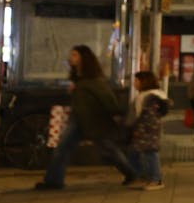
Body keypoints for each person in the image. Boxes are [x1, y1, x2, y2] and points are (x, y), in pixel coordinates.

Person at [36, 45, 134, 190]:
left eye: (75, 55)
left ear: (84, 58)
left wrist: (116, 113)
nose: (71, 58)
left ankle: (130, 172)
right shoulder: (78, 80)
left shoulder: (94, 80)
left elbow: (108, 100)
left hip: (94, 121)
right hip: (79, 120)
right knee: (63, 148)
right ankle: (53, 180)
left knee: (108, 149)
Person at [125, 70, 168, 190]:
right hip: (147, 129)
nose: (134, 83)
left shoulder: (148, 98)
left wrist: (139, 129)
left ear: (144, 82)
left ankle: (156, 179)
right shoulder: (150, 96)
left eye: (136, 80)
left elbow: (149, 117)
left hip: (146, 130)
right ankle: (142, 176)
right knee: (135, 152)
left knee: (150, 153)